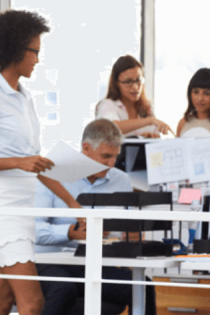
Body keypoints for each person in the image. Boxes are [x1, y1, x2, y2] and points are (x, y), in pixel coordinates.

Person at [0, 9, 84, 315]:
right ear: (16, 50)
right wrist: (17, 162)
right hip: (0, 210)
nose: (37, 60)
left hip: (23, 210)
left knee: (0, 303)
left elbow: (35, 163)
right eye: (34, 52)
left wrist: (72, 204)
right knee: (33, 301)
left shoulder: (25, 98)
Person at [33, 119, 156, 315]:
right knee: (64, 289)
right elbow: (34, 229)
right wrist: (71, 233)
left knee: (142, 287)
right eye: (105, 156)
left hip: (95, 264)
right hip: (52, 262)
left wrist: (131, 236)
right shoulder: (53, 175)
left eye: (115, 157)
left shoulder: (121, 180)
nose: (111, 163)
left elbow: (128, 229)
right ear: (86, 148)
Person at [95, 55, 171, 138]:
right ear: (116, 84)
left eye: (138, 80)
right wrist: (150, 121)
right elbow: (110, 128)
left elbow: (156, 140)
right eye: (128, 82)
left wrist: (150, 138)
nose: (135, 87)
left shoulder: (147, 108)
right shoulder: (107, 105)